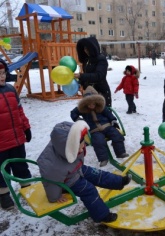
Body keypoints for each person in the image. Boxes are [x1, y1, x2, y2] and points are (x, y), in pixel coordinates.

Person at [37, 120, 132, 223]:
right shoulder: (53, 166)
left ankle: (118, 182)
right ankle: (102, 215)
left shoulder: (64, 144)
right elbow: (50, 182)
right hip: (67, 181)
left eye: (83, 146)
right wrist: (55, 197)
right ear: (69, 148)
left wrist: (79, 147)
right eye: (80, 148)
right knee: (88, 190)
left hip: (75, 169)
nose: (82, 150)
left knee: (96, 173)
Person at [0, 60, 32, 210]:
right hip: (1, 143)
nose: (2, 77)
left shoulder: (11, 90)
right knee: (2, 170)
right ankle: (4, 195)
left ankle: (27, 188)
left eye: (3, 73)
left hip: (17, 138)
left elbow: (19, 111)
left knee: (20, 164)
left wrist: (26, 128)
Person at [71, 86, 129, 167]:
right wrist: (78, 118)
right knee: (98, 142)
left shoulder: (101, 107)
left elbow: (108, 113)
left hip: (107, 126)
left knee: (116, 135)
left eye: (93, 103)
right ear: (85, 103)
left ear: (96, 102)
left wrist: (113, 120)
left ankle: (120, 152)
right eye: (89, 103)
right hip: (94, 130)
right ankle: (103, 159)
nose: (91, 105)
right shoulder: (82, 109)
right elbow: (73, 113)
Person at [74, 37, 112, 107]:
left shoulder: (101, 59)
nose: (86, 51)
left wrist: (81, 76)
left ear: (93, 48)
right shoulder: (87, 60)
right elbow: (87, 75)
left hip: (101, 91)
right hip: (89, 92)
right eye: (84, 49)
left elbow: (99, 75)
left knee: (103, 115)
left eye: (87, 48)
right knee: (90, 115)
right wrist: (80, 82)